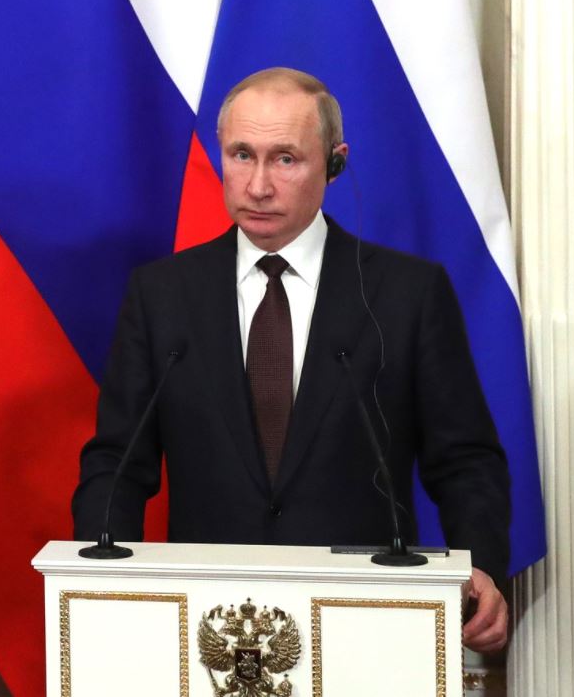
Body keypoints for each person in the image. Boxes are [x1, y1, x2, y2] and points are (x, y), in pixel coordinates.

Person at [72, 67, 512, 654]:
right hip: (208, 627)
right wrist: (102, 582)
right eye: (240, 155)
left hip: (366, 625)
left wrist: (480, 564)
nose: (256, 185)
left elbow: (464, 460)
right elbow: (116, 462)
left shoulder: (407, 294)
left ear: (334, 163)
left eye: (285, 159)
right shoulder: (163, 295)